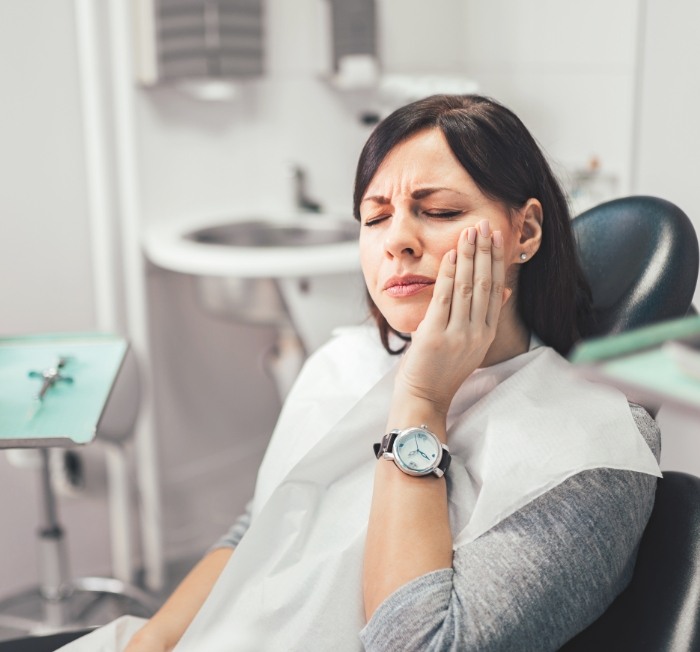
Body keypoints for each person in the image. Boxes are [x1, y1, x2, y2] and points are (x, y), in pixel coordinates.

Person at [119, 94, 661, 652]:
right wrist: (150, 640)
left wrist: (422, 401)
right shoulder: (342, 367)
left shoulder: (595, 452)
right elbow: (262, 527)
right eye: (375, 218)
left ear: (523, 232)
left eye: (441, 211)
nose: (396, 241)